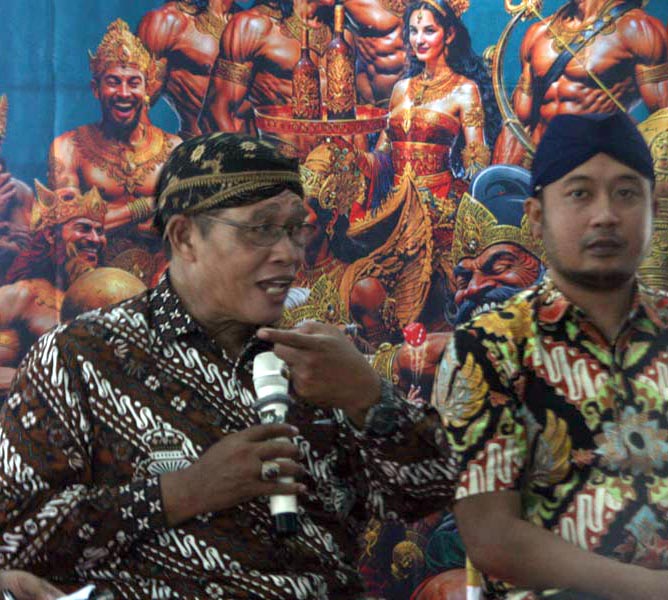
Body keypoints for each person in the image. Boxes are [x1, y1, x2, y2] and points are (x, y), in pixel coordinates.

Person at [0, 133, 455, 598]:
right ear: (185, 237)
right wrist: (182, 492)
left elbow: (432, 494)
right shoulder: (79, 357)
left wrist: (370, 399)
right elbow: (14, 538)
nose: (289, 253)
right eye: (261, 229)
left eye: (295, 229)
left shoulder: (320, 360)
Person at [437, 112, 668, 599]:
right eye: (580, 193)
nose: (605, 215)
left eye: (626, 193)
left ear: (653, 207)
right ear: (537, 215)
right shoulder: (491, 345)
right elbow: (493, 538)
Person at [331, 0, 500, 343]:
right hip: (394, 214)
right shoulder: (400, 89)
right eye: (413, 30)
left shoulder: (465, 89)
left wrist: (461, 207)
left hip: (439, 217)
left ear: (448, 35)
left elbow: (476, 159)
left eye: (429, 30)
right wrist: (357, 160)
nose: (419, 39)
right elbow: (383, 155)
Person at [48, 19, 181, 285]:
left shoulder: (173, 148)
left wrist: (108, 214)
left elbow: (182, 224)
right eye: (113, 82)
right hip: (91, 282)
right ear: (96, 89)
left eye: (133, 83)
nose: (124, 93)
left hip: (161, 278)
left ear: (147, 89)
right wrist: (149, 206)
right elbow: (71, 230)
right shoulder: (68, 147)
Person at [492, 0, 668, 166]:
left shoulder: (641, 30)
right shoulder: (538, 33)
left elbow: (664, 123)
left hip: (592, 171)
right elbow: (518, 122)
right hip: (539, 165)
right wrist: (495, 181)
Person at [0, 183, 107, 396]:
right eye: (84, 228)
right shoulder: (24, 294)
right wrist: (33, 381)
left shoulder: (107, 298)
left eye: (100, 231)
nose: (95, 239)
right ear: (51, 235)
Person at [137, 0, 234, 139]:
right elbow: (136, 105)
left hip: (256, 146)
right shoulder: (166, 22)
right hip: (201, 145)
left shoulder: (252, 22)